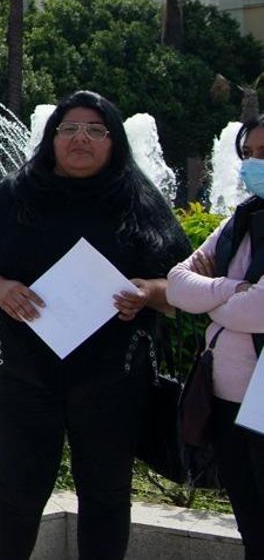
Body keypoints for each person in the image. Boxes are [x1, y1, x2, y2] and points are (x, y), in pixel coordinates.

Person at [0, 92, 187, 560]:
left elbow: (184, 282)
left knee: (107, 496)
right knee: (18, 494)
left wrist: (149, 293)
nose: (81, 138)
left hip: (113, 380)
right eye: (69, 128)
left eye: (96, 130)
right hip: (25, 376)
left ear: (114, 141)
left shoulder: (139, 200)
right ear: (51, 138)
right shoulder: (16, 195)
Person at [166, 117, 264, 556]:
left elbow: (259, 309)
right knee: (251, 522)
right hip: (227, 401)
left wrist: (210, 299)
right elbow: (176, 283)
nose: (257, 164)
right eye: (252, 155)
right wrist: (230, 290)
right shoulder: (239, 223)